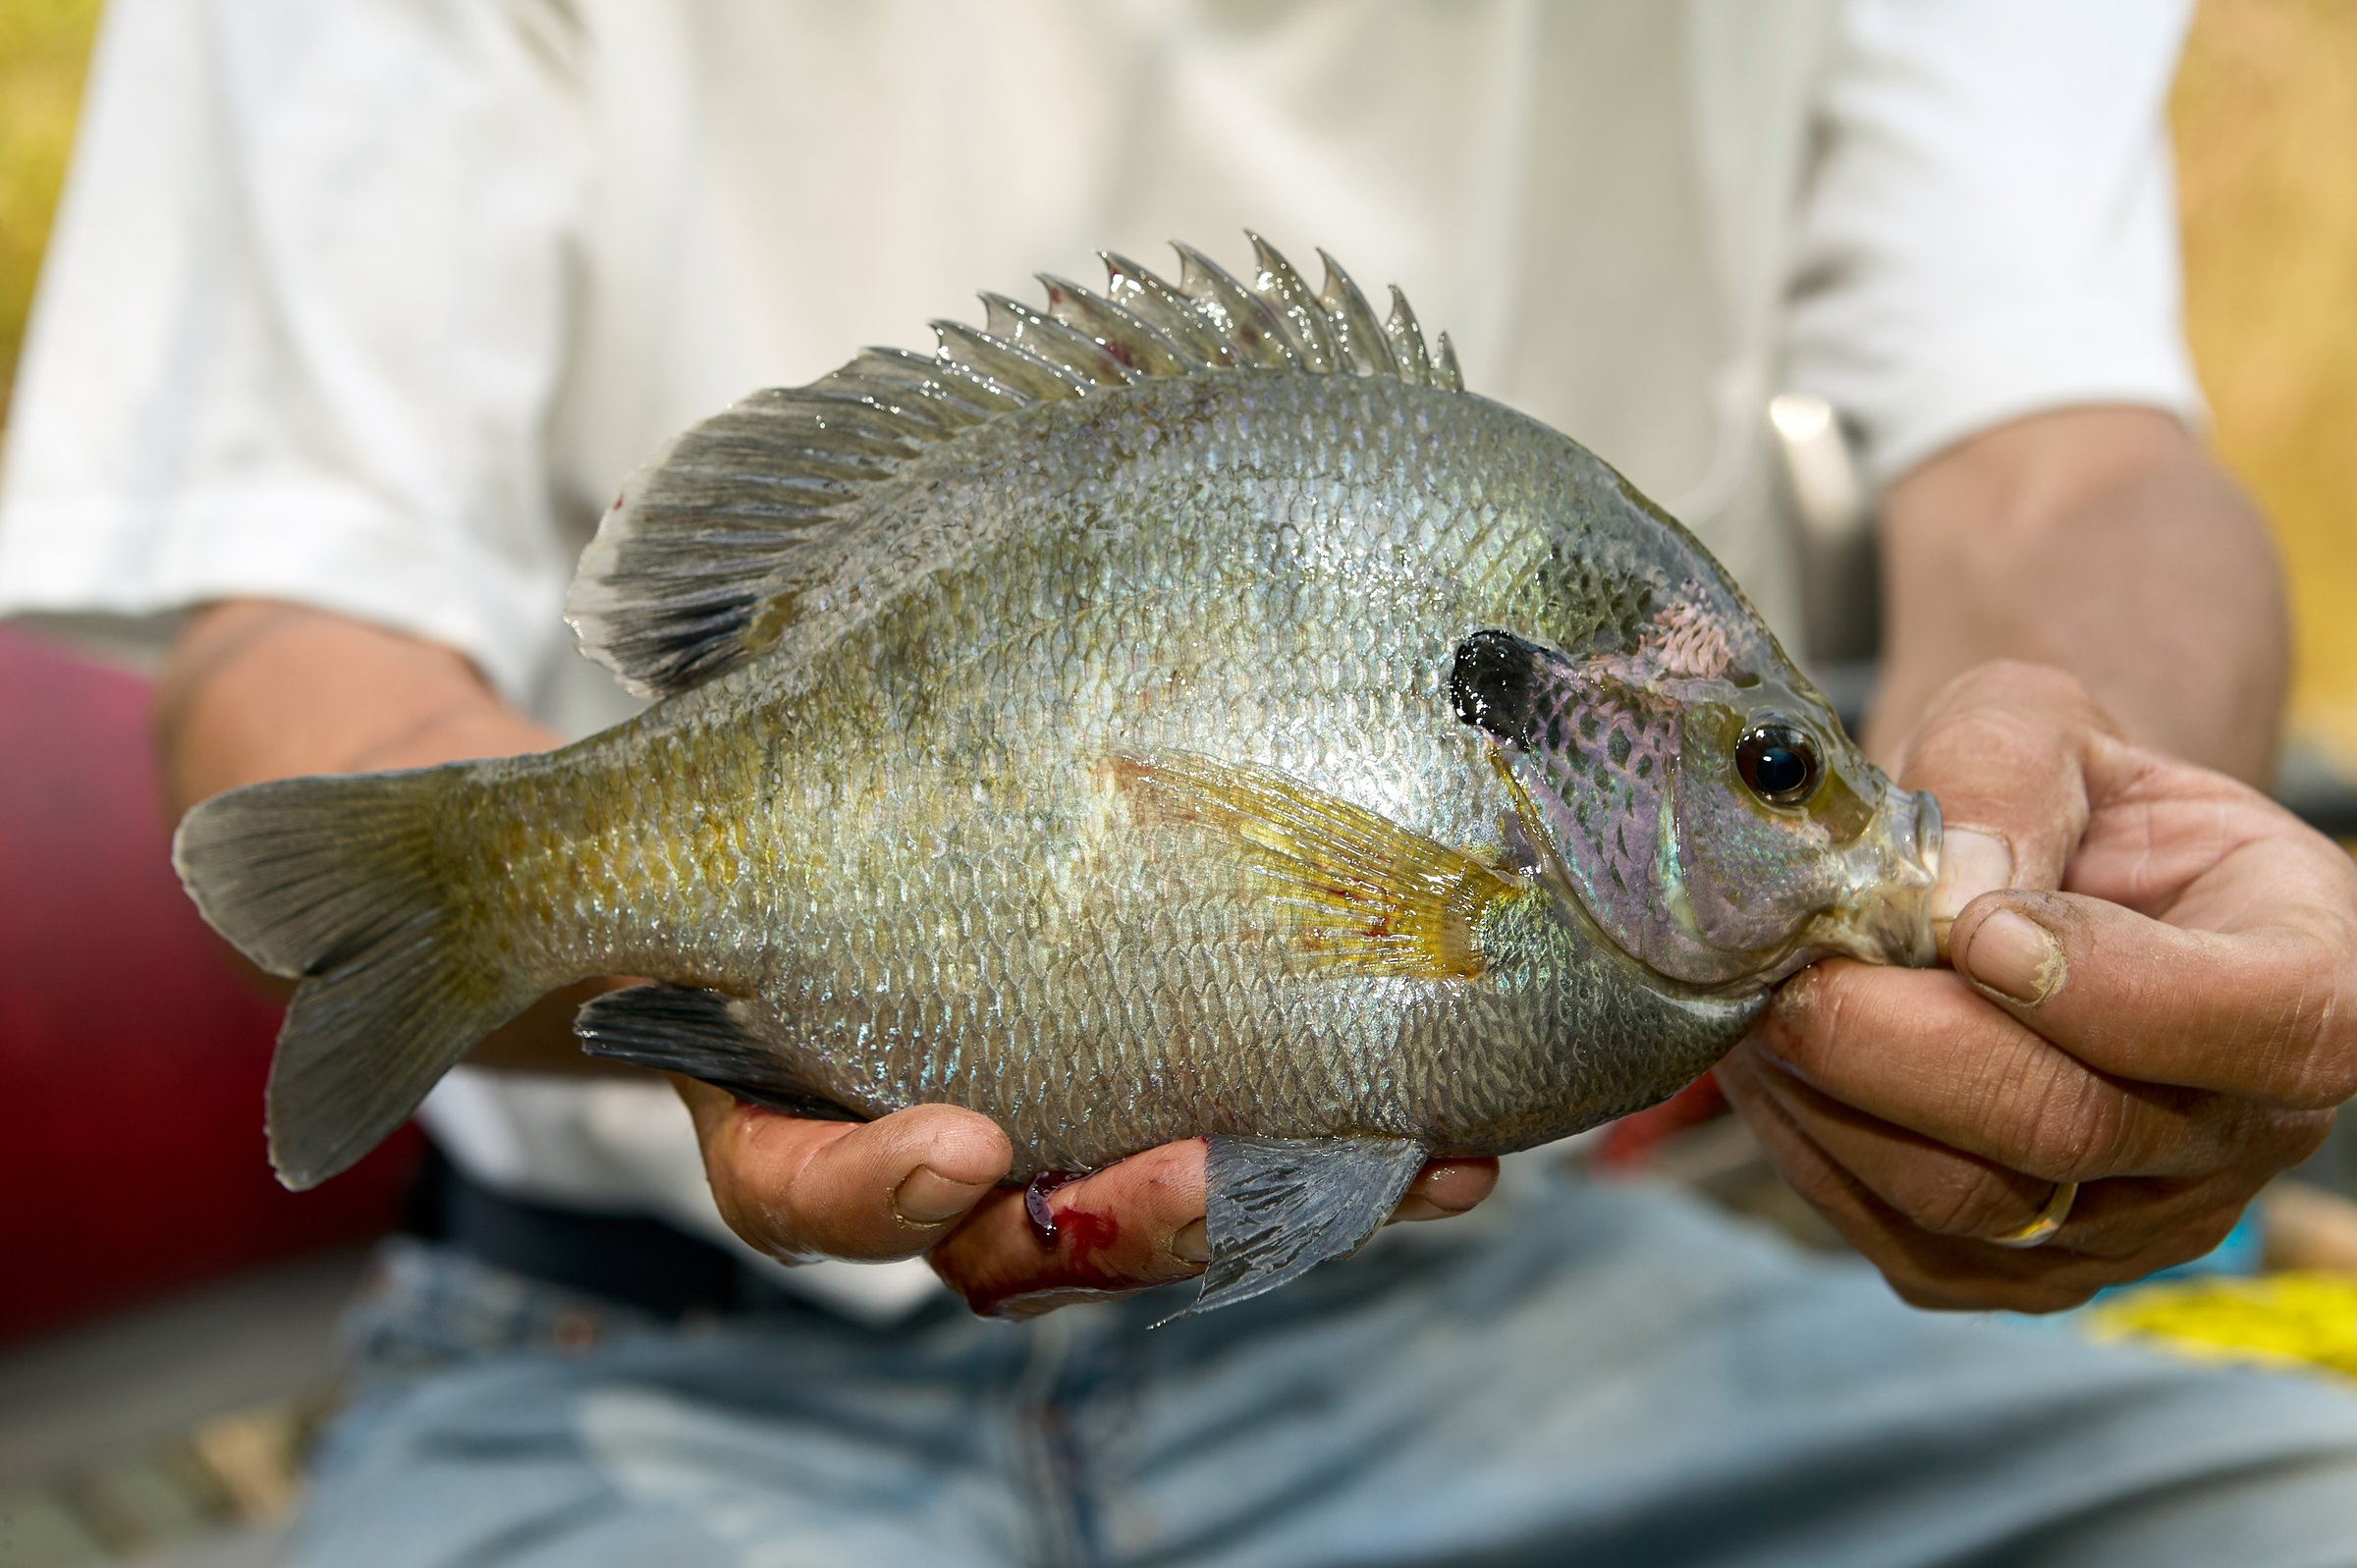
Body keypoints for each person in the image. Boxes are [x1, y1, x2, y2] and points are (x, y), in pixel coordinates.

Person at [5, 1, 2356, 1563]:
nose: (1813, 809)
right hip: (632, 1368)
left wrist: (2058, 788)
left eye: (1773, 771)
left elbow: (2063, 445)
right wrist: (612, 922)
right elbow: (295, 632)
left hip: (1510, 1329)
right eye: (1772, 768)